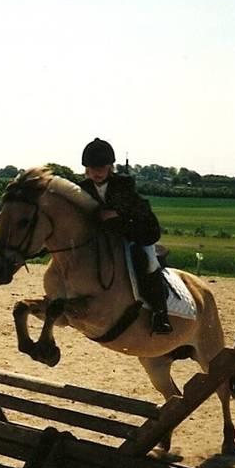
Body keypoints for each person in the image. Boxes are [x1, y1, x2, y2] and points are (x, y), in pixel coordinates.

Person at [79, 138, 172, 334]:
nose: (97, 172)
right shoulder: (82, 188)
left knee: (146, 261)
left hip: (138, 231)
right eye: (92, 168)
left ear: (110, 167)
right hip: (106, 237)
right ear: (86, 169)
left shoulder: (124, 184)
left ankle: (160, 314)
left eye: (101, 167)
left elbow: (137, 210)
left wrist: (117, 214)